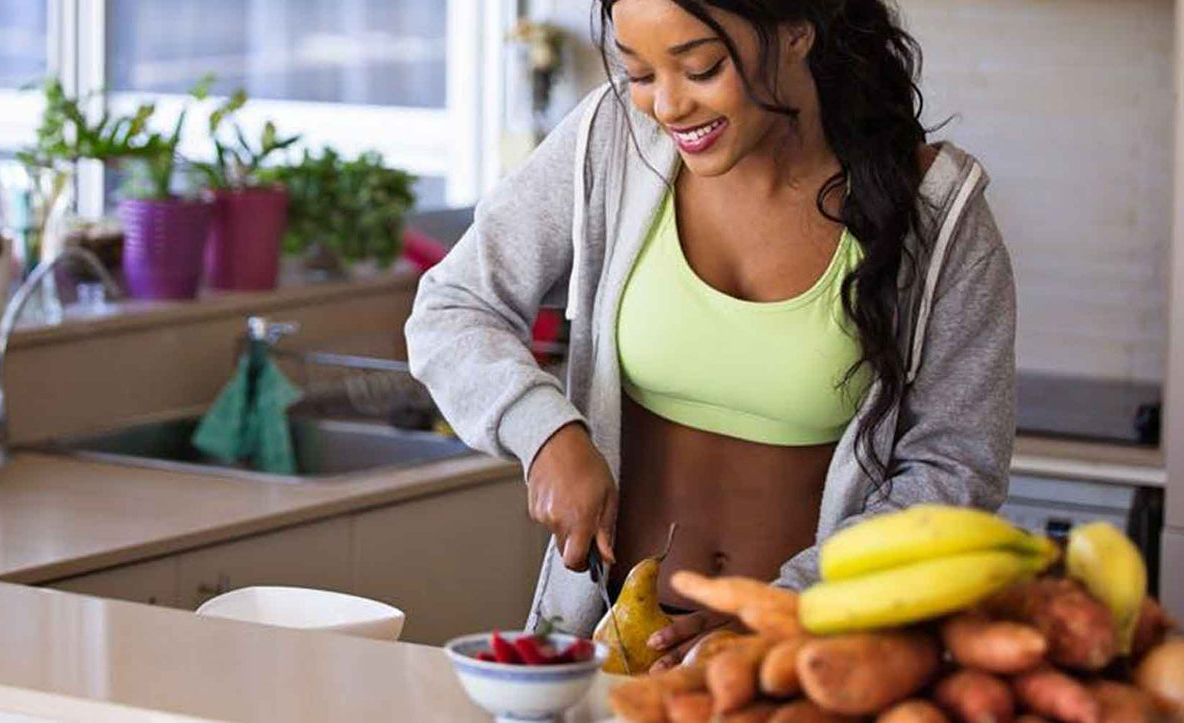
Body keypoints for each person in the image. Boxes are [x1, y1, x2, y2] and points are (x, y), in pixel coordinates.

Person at [405, 0, 1015, 671]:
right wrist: (545, 431)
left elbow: (955, 467)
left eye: (699, 68)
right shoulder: (611, 140)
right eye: (638, 73)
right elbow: (452, 304)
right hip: (616, 648)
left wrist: (784, 610)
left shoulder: (936, 210)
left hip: (810, 657)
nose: (667, 106)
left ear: (794, 32)